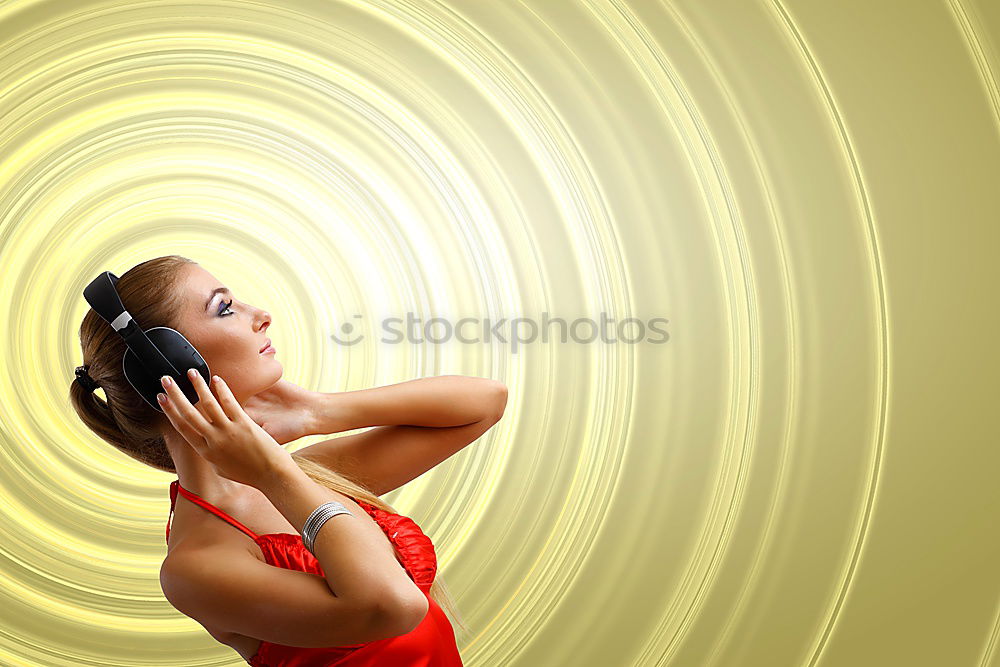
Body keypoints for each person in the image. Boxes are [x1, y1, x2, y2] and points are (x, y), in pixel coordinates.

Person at [70, 255, 507, 665]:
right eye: (225, 308)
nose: (260, 314)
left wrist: (318, 412)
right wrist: (272, 473)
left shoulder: (304, 475)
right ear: (170, 365)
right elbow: (395, 606)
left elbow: (485, 402)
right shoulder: (196, 566)